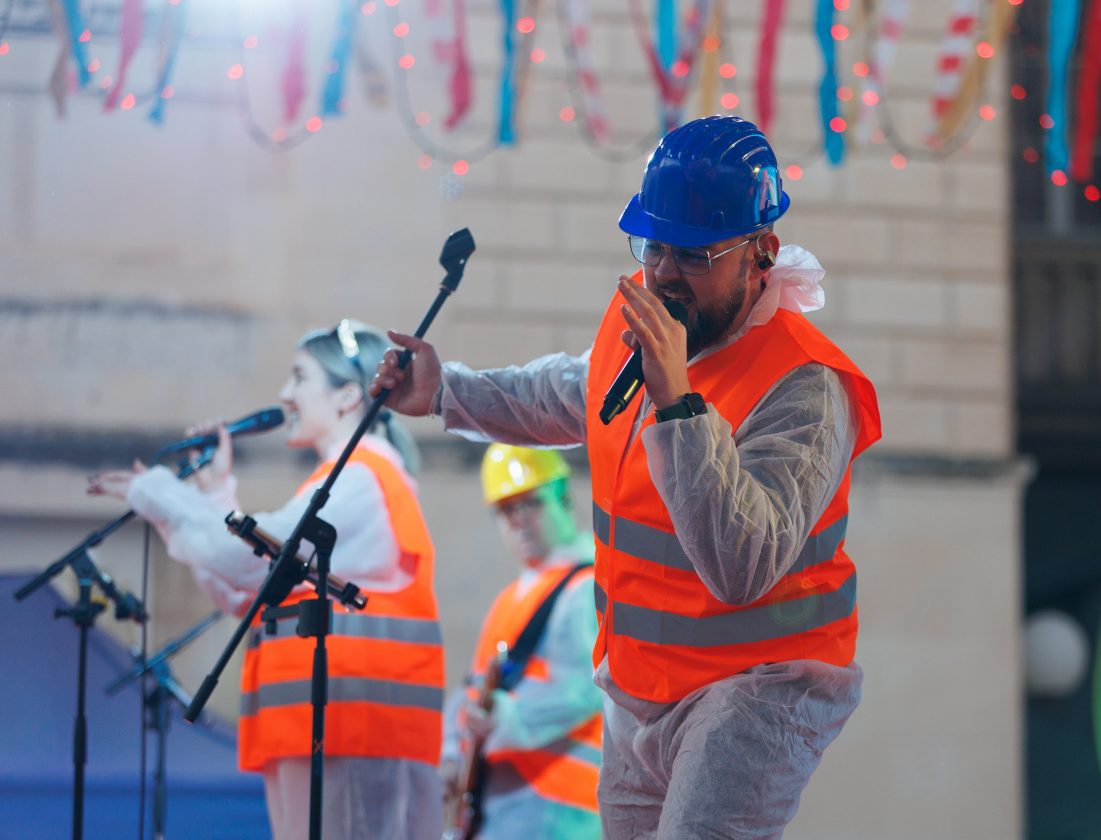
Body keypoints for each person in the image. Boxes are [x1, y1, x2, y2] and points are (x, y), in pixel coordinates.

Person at [373, 115, 882, 839]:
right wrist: (446, 393)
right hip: (641, 682)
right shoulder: (641, 323)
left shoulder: (806, 386)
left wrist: (676, 404)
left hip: (760, 689)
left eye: (696, 255)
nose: (667, 274)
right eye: (654, 248)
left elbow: (744, 565)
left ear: (761, 252)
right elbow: (567, 394)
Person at [88, 320, 446, 840]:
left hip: (353, 731)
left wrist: (164, 494)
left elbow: (250, 562)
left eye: (299, 378)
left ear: (348, 396)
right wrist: (212, 497)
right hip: (321, 732)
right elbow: (249, 589)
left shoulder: (365, 479)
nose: (285, 394)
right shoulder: (337, 482)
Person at [441, 444, 603, 839]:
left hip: (559, 800)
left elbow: (585, 686)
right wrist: (449, 754)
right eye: (507, 509)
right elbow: (473, 689)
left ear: (564, 498)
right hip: (501, 799)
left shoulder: (587, 587)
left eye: (531, 503)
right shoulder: (511, 599)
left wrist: (508, 718)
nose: (520, 521)